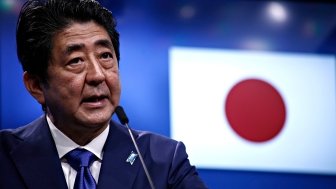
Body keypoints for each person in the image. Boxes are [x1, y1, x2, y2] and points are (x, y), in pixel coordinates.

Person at [0, 0, 208, 189]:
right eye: (76, 61)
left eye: (105, 56)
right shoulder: (5, 158)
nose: (98, 75)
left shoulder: (163, 161)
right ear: (36, 85)